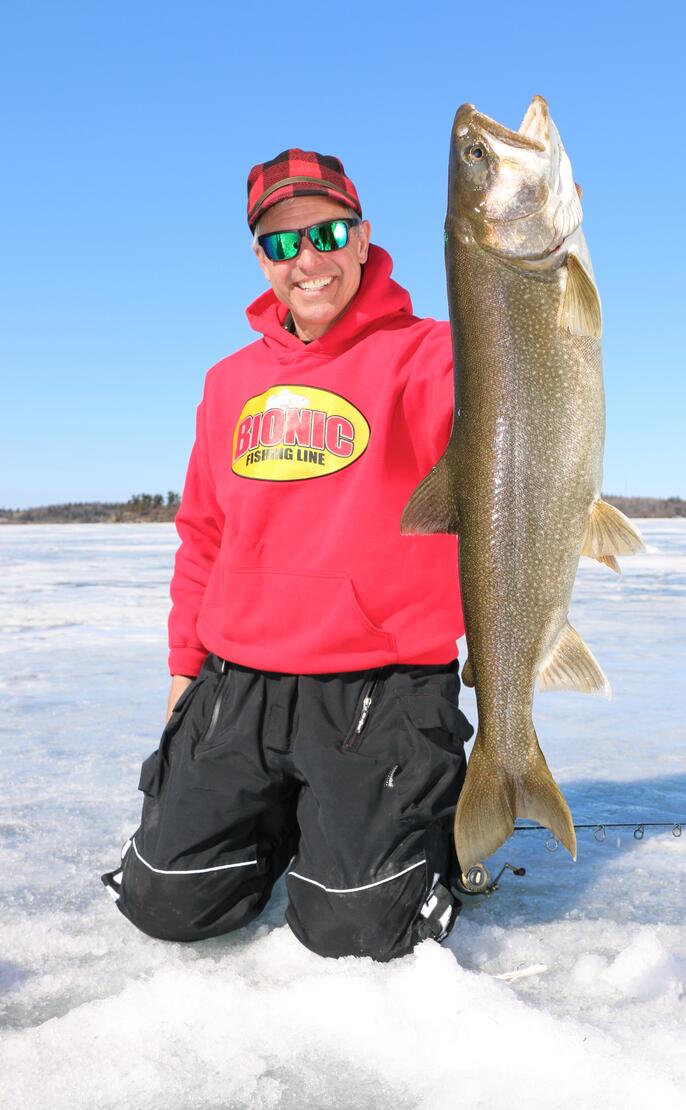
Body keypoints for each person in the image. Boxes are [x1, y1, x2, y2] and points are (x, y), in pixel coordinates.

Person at [102, 149, 472, 961]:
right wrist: (184, 670)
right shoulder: (228, 382)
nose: (308, 259)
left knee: (355, 931)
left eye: (328, 231)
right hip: (240, 686)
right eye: (281, 242)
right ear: (260, 257)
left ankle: (418, 834)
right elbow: (203, 534)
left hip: (380, 689)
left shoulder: (440, 356)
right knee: (164, 904)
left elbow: (521, 403)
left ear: (363, 238)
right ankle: (289, 817)